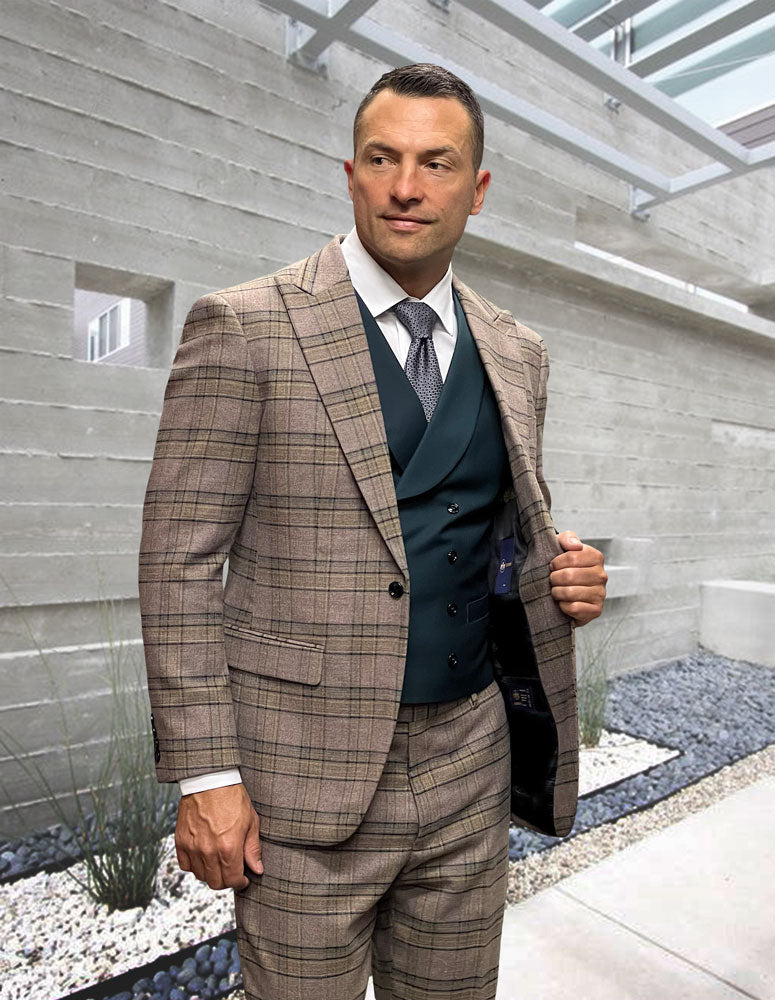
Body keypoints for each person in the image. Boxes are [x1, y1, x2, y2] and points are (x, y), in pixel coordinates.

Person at [138, 62, 607, 1000]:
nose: (405, 186)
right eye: (382, 158)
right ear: (348, 173)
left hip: (471, 762)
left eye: (436, 164)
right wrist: (205, 775)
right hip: (301, 775)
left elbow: (497, 532)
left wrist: (562, 575)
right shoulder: (245, 326)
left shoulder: (518, 351)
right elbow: (177, 563)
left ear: (475, 191)